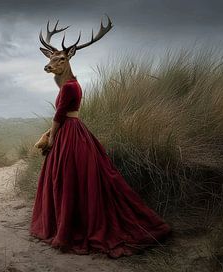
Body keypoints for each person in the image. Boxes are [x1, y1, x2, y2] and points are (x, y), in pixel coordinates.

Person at [29, 17, 172, 258]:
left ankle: (70, 227)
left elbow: (59, 116)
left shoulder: (69, 87)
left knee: (66, 178)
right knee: (71, 178)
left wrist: (51, 139)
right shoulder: (70, 84)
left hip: (68, 134)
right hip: (74, 131)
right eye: (51, 59)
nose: (52, 63)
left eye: (59, 59)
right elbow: (62, 109)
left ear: (69, 59)